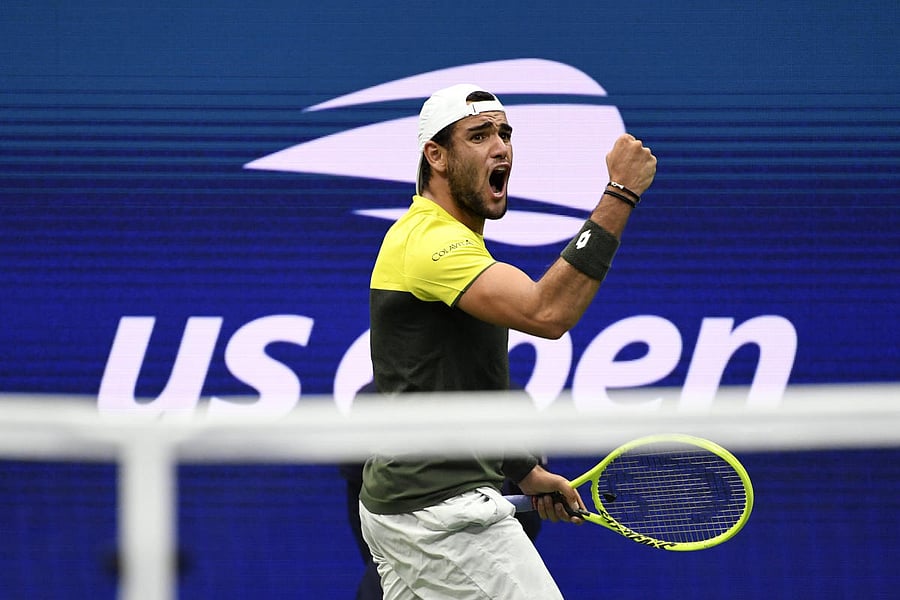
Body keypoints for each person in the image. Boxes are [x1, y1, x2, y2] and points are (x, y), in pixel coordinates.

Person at [359, 83, 656, 599]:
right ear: (437, 156)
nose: (500, 147)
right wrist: (620, 194)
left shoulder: (448, 241)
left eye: (505, 133)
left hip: (403, 503)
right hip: (439, 513)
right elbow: (548, 313)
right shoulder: (430, 243)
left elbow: (462, 383)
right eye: (478, 136)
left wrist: (522, 469)